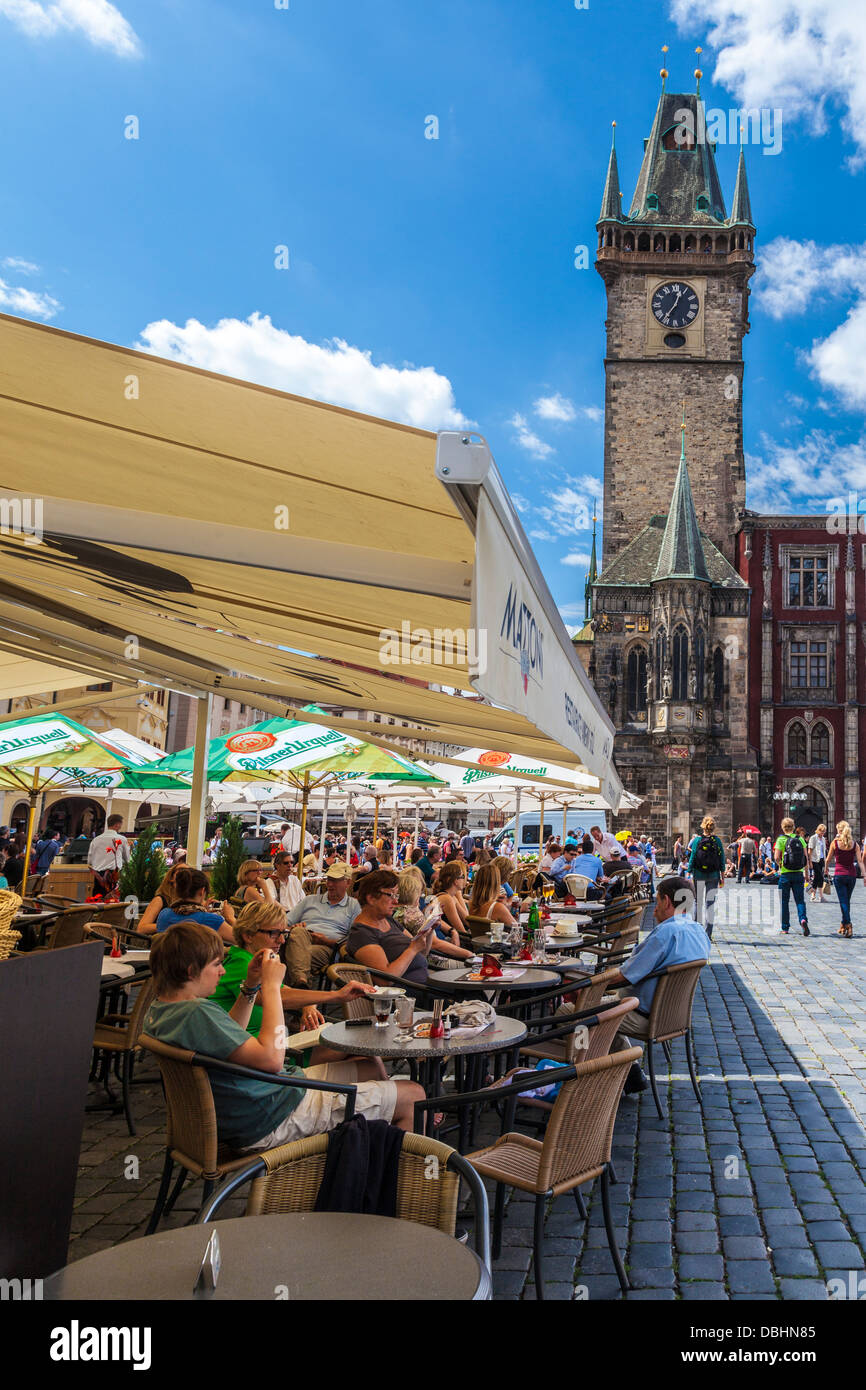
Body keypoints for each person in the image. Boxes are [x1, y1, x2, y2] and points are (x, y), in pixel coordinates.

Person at [145, 922, 425, 1144]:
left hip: (252, 1102)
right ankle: (391, 1193)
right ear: (191, 970)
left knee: (368, 1069)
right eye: (216, 964)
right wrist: (270, 986)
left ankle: (357, 1153)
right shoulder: (197, 1012)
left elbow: (233, 1034)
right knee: (413, 1094)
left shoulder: (164, 1011)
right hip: (271, 1114)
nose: (221, 972)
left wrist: (251, 985)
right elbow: (272, 1060)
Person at [209, 900, 376, 1054]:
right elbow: (274, 995)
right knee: (360, 1049)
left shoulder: (252, 960)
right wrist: (337, 995)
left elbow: (283, 990)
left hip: (275, 1046)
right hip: (256, 1055)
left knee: (363, 1052)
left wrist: (308, 1004)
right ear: (248, 935)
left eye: (283, 933)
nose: (282, 940)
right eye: (274, 933)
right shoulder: (242, 964)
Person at [602, 875, 710, 1092]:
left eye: (657, 902)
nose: (654, 909)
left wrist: (587, 987)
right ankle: (631, 1073)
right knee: (607, 1006)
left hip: (643, 1015)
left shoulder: (665, 933)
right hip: (672, 1016)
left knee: (572, 1012)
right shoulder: (699, 931)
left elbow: (625, 975)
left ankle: (582, 1082)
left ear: (668, 902)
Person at [346, 870, 435, 985]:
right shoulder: (362, 933)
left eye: (396, 895)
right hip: (408, 996)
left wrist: (430, 930)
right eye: (391, 895)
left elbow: (421, 952)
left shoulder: (387, 919)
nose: (396, 901)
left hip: (425, 984)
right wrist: (412, 950)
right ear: (371, 898)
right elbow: (386, 980)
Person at [283, 862, 361, 987]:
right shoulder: (310, 900)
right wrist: (292, 928)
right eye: (329, 879)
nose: (329, 884)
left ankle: (293, 994)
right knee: (298, 933)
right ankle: (302, 986)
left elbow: (354, 941)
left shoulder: (354, 906)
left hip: (329, 948)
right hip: (300, 939)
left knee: (291, 954)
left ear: (348, 883)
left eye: (335, 880)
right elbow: (283, 923)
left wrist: (326, 941)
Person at [153, 867, 235, 945]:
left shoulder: (164, 914)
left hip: (167, 959)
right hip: (199, 959)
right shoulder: (211, 920)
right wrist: (230, 918)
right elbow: (244, 939)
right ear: (202, 891)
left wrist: (203, 912)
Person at [686, 815, 726, 938]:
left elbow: (692, 857)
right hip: (713, 875)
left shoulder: (697, 840)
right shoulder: (717, 841)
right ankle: (708, 934)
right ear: (713, 827)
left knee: (698, 903)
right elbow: (722, 858)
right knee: (710, 904)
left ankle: (697, 932)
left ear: (703, 826)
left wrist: (688, 872)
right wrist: (722, 875)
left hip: (698, 874)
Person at [825, 821, 866, 938]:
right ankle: (843, 925)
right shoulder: (855, 845)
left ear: (839, 831)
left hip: (839, 875)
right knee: (846, 901)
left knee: (843, 901)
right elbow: (860, 861)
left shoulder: (835, 843)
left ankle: (848, 924)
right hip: (851, 876)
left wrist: (826, 869)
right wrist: (864, 875)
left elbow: (828, 859)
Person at [774, 817, 810, 937]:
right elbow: (806, 859)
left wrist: (780, 865)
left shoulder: (781, 839)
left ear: (783, 827)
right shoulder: (801, 839)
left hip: (785, 874)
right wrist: (807, 874)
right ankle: (803, 920)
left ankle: (785, 927)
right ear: (793, 827)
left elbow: (776, 857)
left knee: (784, 901)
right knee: (800, 900)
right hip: (798, 874)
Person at [87, 813, 130, 895]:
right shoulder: (121, 839)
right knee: (113, 904)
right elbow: (128, 859)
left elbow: (90, 861)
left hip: (98, 876)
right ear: (118, 824)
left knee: (98, 902)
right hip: (114, 875)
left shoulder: (95, 840)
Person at [468, 863, 516, 928]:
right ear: (497, 882)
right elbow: (516, 930)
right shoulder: (498, 908)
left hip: (475, 937)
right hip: (495, 938)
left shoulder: (470, 905)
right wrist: (505, 906)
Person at [568, 835, 607, 900]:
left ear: (582, 850)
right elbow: (601, 876)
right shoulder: (597, 860)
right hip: (590, 892)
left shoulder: (575, 860)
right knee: (608, 896)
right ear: (592, 850)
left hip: (574, 891)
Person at [807, 824, 829, 904]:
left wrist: (826, 864)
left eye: (824, 832)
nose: (822, 833)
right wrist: (810, 862)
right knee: (820, 877)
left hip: (822, 860)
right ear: (818, 830)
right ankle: (821, 896)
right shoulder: (813, 838)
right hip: (814, 860)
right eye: (821, 831)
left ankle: (813, 896)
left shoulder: (823, 838)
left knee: (817, 878)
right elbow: (810, 851)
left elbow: (824, 851)